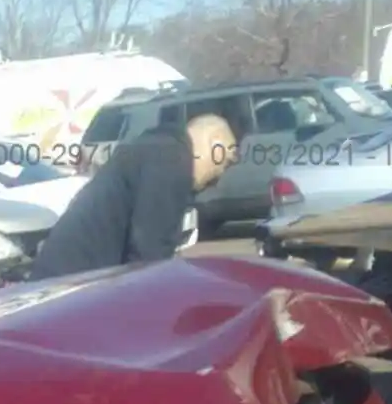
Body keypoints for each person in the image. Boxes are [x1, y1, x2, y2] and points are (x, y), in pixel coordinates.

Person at [29, 114, 237, 280]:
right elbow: (150, 255)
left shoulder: (158, 149)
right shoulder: (170, 161)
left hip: (68, 275)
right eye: (224, 163)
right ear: (214, 143)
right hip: (73, 283)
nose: (218, 177)